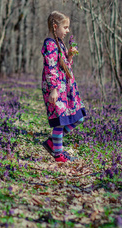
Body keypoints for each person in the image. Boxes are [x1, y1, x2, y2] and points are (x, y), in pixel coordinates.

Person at [41, 11, 86, 162]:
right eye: (65, 27)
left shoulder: (60, 43)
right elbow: (50, 68)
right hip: (56, 88)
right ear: (55, 27)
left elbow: (64, 66)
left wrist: (70, 56)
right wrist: (53, 89)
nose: (68, 30)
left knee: (77, 117)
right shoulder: (50, 44)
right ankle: (58, 154)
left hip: (65, 88)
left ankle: (52, 143)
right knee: (61, 121)